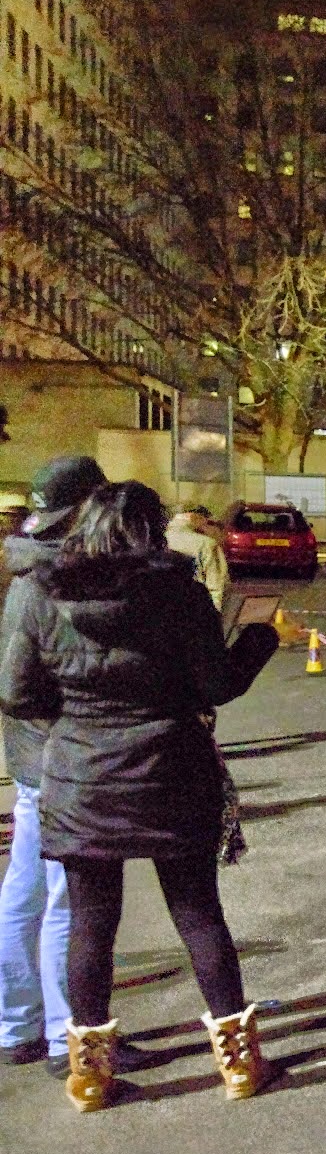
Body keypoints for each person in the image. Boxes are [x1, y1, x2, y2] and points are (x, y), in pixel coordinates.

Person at [0, 481, 279, 1111]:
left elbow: (17, 694)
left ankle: (88, 1077)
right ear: (153, 530)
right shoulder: (178, 591)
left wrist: (77, 719)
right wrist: (261, 638)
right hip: (172, 772)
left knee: (91, 927)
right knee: (198, 915)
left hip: (81, 779)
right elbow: (217, 684)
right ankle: (238, 1066)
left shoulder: (36, 592)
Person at [0, 456, 104, 1079]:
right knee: (69, 899)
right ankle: (72, 1039)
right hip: (53, 761)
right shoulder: (43, 579)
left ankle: (17, 1025)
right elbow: (15, 685)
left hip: (31, 758)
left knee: (28, 888)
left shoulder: (21, 570)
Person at [167, 501, 230, 609]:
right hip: (193, 611)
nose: (205, 527)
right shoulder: (206, 544)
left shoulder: (154, 540)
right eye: (206, 522)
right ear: (194, 517)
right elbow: (216, 587)